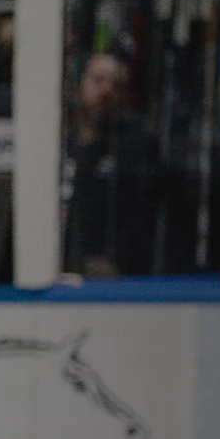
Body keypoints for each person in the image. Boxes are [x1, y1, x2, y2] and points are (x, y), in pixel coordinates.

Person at [63, 53, 159, 277]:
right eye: (98, 80)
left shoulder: (137, 148)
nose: (106, 91)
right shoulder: (53, 144)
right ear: (79, 85)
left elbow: (139, 222)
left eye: (116, 86)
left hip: (111, 278)